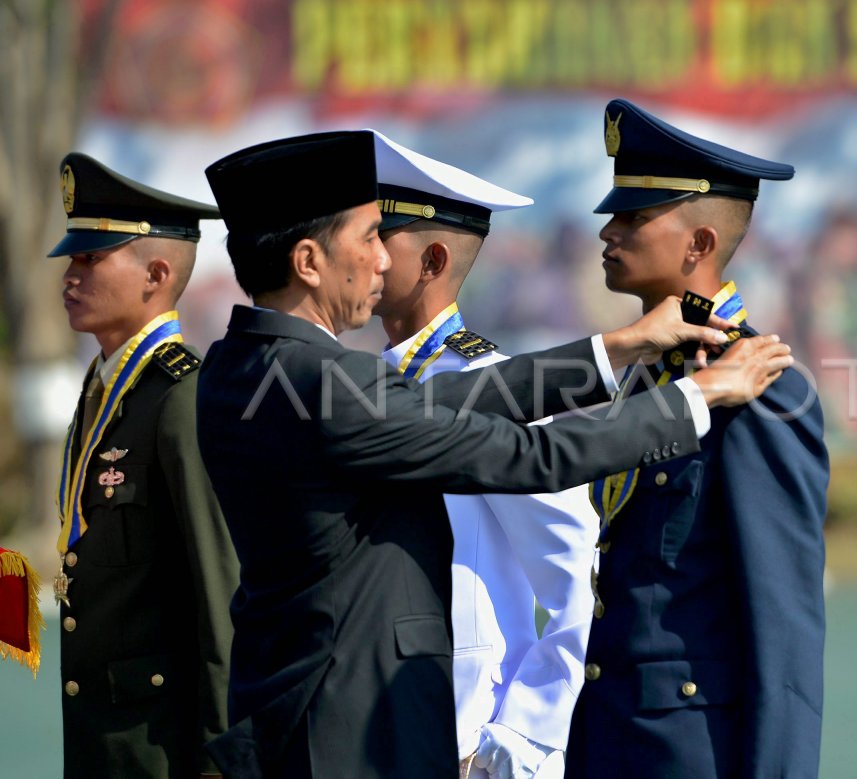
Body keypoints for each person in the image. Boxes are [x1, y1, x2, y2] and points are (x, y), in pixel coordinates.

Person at [196, 129, 794, 779]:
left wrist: (615, 347)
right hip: (355, 738)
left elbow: (450, 398)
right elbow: (530, 453)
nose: (379, 261)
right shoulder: (329, 384)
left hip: (293, 718)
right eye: (368, 237)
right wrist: (696, 398)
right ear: (309, 262)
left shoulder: (240, 367)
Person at [565, 99, 830, 779]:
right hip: (609, 739)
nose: (609, 229)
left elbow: (783, 627)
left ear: (700, 244)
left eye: (633, 216)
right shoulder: (644, 375)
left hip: (692, 751)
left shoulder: (760, 388)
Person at [370, 130, 595, 779]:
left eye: (377, 239)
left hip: (465, 747)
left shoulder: (497, 390)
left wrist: (517, 739)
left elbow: (578, 578)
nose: (361, 257)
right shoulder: (366, 387)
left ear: (433, 258)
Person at [48, 152, 238, 778]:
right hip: (106, 737)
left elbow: (219, 587)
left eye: (89, 258)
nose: (69, 276)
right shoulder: (103, 386)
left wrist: (220, 754)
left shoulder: (179, 396)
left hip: (165, 745)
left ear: (156, 273)